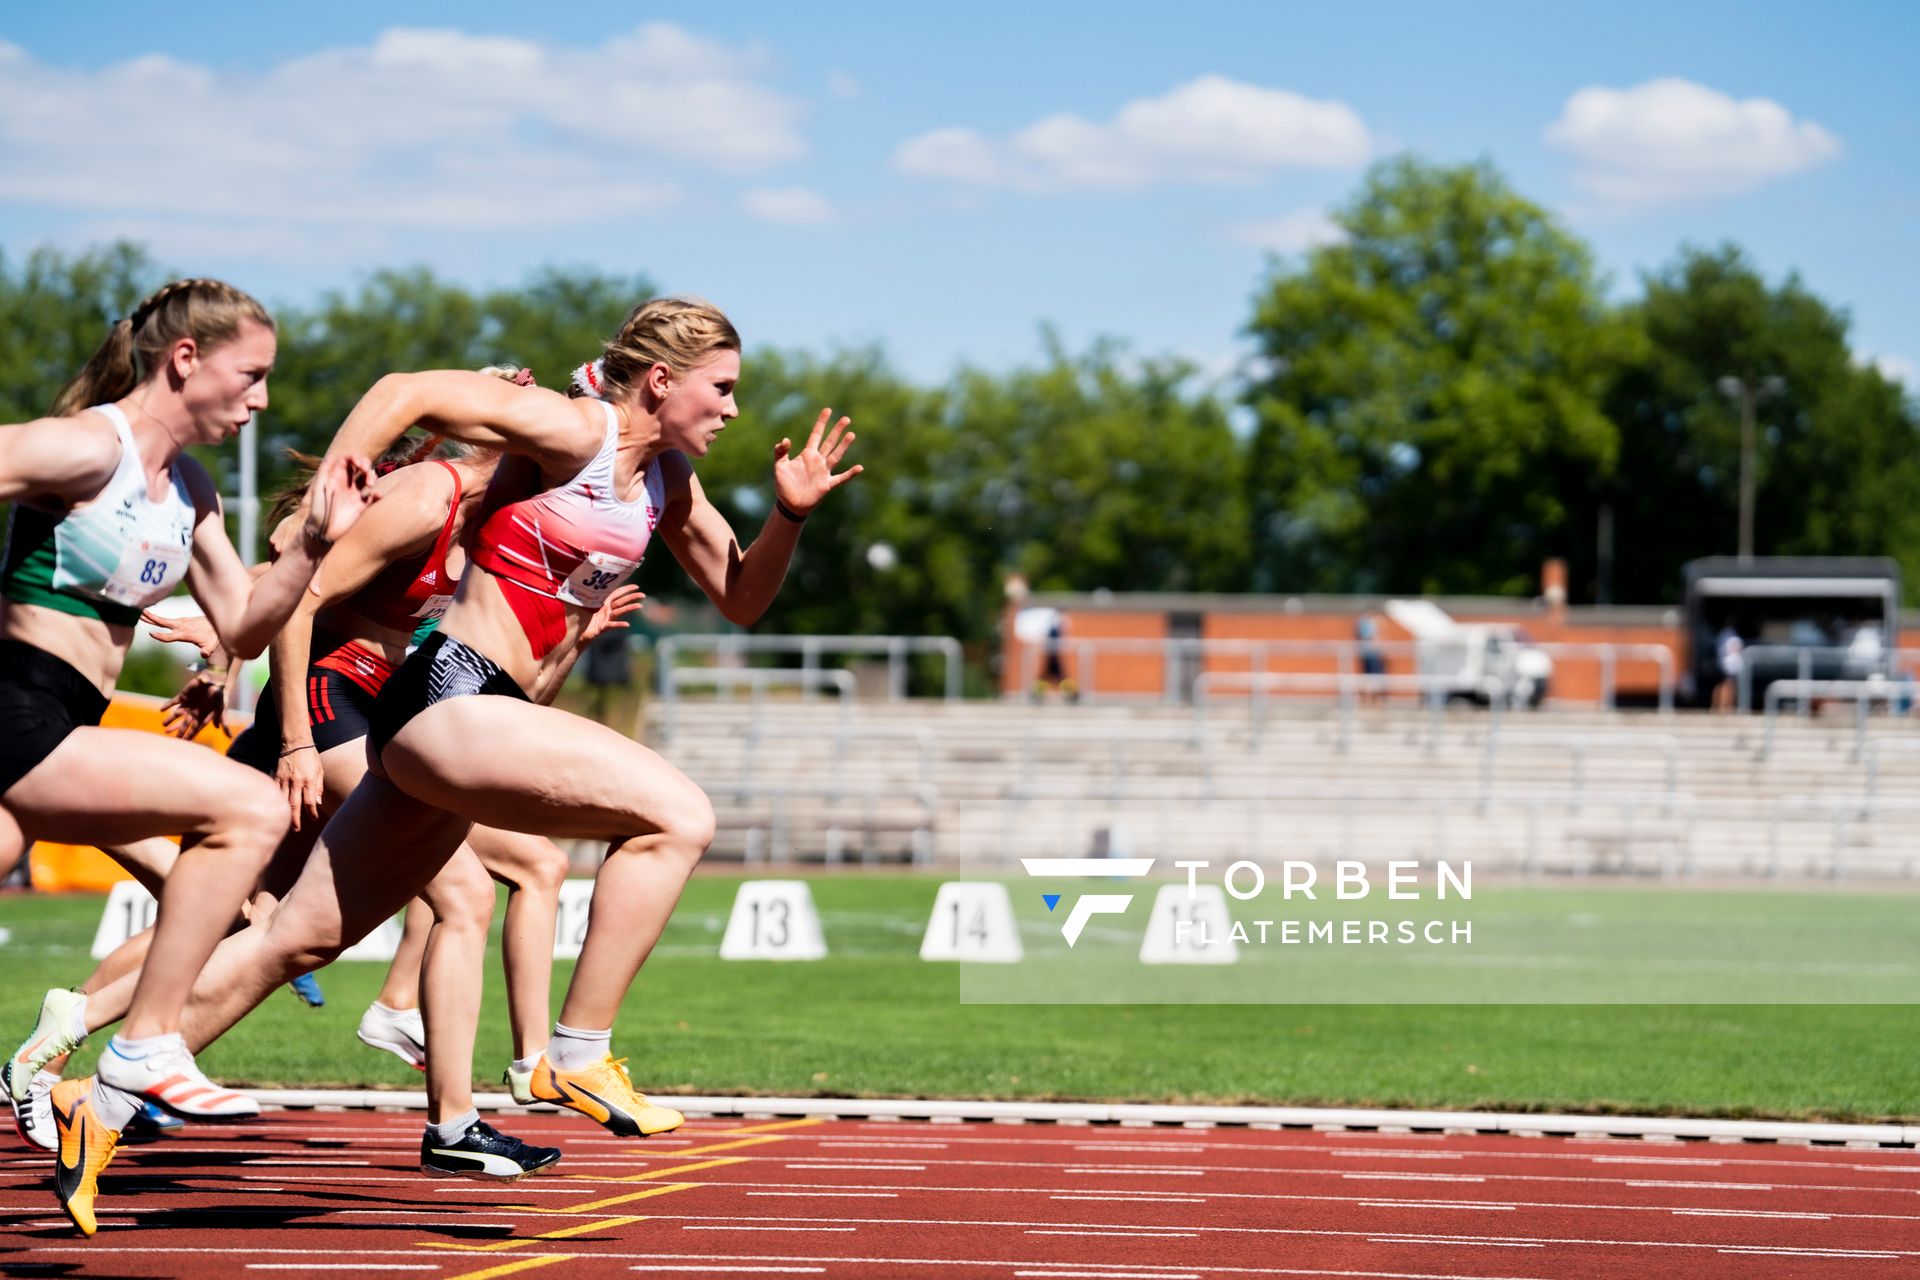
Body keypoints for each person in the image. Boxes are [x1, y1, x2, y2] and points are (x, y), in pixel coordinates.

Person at [45, 296, 861, 1235]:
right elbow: (405, 390)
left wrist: (791, 519)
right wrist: (331, 497)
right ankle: (574, 1052)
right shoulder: (575, 428)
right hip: (451, 697)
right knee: (680, 816)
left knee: (294, 941)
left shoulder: (668, 485)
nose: (731, 410)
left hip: (464, 722)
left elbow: (742, 597)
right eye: (720, 390)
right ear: (662, 382)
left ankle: (96, 1105)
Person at [30, 371, 571, 1186]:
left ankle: (78, 1048)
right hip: (326, 701)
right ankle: (456, 1104)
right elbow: (299, 587)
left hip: (375, 713)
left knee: (257, 923)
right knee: (466, 891)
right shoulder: (428, 492)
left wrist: (574, 635)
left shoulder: (494, 522)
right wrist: (283, 731)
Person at [0, 279, 372, 1170]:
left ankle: (141, 1044)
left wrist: (316, 544)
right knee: (249, 810)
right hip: (16, 706)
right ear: (186, 360)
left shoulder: (191, 489)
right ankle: (145, 1043)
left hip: (65, 715)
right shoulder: (91, 447)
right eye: (251, 376)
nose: (264, 400)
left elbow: (245, 625)